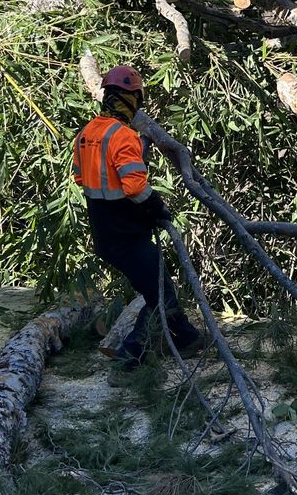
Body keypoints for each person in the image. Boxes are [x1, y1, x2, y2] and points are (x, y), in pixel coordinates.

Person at [73, 63, 204, 371]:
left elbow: (82, 177)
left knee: (157, 285)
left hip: (105, 233)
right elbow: (134, 186)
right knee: (159, 294)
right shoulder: (123, 137)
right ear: (134, 100)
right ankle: (129, 360)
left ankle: (186, 339)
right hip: (127, 233)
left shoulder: (86, 134)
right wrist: (156, 207)